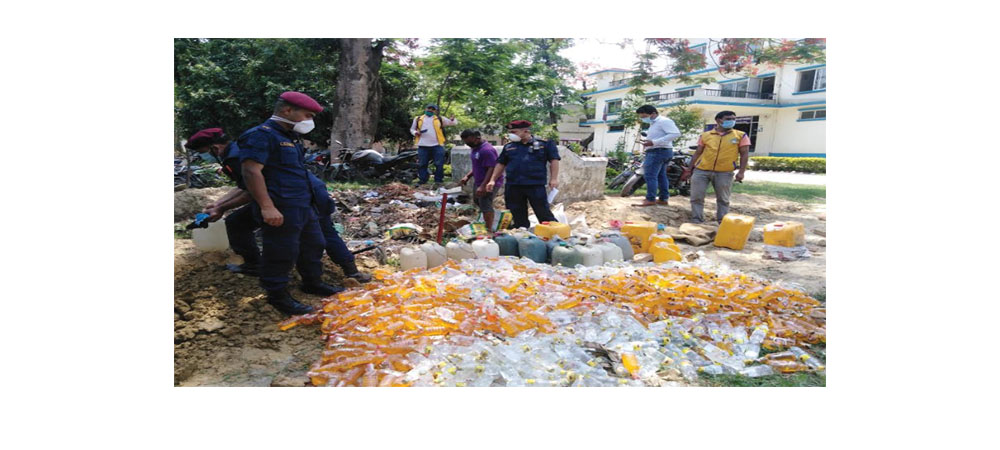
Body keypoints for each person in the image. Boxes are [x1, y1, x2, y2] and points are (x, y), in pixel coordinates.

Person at [188, 128, 371, 284]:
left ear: (215, 147)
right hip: (286, 194)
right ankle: (254, 264)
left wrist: (221, 208)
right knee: (237, 221)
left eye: (203, 151)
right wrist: (218, 204)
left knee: (323, 230)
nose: (202, 157)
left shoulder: (237, 156)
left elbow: (253, 191)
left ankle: (350, 271)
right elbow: (244, 186)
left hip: (304, 194)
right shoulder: (234, 154)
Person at [238, 91, 344, 315]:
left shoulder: (290, 136)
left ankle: (312, 282)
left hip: (302, 204)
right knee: (281, 251)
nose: (310, 121)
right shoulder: (261, 135)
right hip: (280, 206)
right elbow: (251, 171)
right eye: (307, 115)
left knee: (313, 244)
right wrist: (267, 207)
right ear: (287, 110)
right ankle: (277, 295)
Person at [485, 120, 560, 230]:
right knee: (517, 214)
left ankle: (554, 234)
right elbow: (501, 163)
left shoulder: (544, 144)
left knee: (543, 213)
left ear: (525, 131)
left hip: (535, 185)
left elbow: (554, 160)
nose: (511, 134)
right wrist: (492, 180)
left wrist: (554, 178)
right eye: (510, 132)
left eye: (514, 131)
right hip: (513, 185)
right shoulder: (509, 147)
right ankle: (522, 234)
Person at [686, 110, 751, 224]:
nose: (732, 121)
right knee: (696, 197)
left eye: (733, 119)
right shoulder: (706, 135)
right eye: (728, 119)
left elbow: (744, 154)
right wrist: (689, 169)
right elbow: (698, 152)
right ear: (718, 120)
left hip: (725, 172)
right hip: (701, 170)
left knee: (723, 199)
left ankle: (722, 222)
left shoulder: (740, 135)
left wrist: (741, 172)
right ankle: (696, 219)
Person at [633, 105, 681, 207]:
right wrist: (649, 142)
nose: (643, 118)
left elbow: (675, 134)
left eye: (644, 116)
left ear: (653, 113)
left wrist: (654, 142)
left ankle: (650, 199)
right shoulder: (654, 123)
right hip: (661, 151)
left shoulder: (663, 121)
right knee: (661, 175)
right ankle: (663, 198)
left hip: (658, 151)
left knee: (650, 175)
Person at [458, 129, 503, 232]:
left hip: (488, 183)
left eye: (469, 141)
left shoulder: (487, 150)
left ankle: (489, 230)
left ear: (477, 138)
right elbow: (477, 165)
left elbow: (491, 168)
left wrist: (483, 186)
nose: (467, 144)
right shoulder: (475, 148)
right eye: (465, 142)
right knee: (477, 201)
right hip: (479, 181)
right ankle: (489, 217)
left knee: (485, 204)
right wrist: (468, 176)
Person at [410, 104, 457, 186]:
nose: (430, 110)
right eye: (429, 108)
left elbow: (452, 123)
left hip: (437, 145)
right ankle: (422, 180)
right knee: (422, 163)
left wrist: (452, 119)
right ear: (425, 108)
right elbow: (412, 129)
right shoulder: (418, 119)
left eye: (433, 109)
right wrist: (415, 133)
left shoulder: (439, 119)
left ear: (435, 111)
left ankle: (438, 181)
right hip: (423, 145)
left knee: (439, 164)